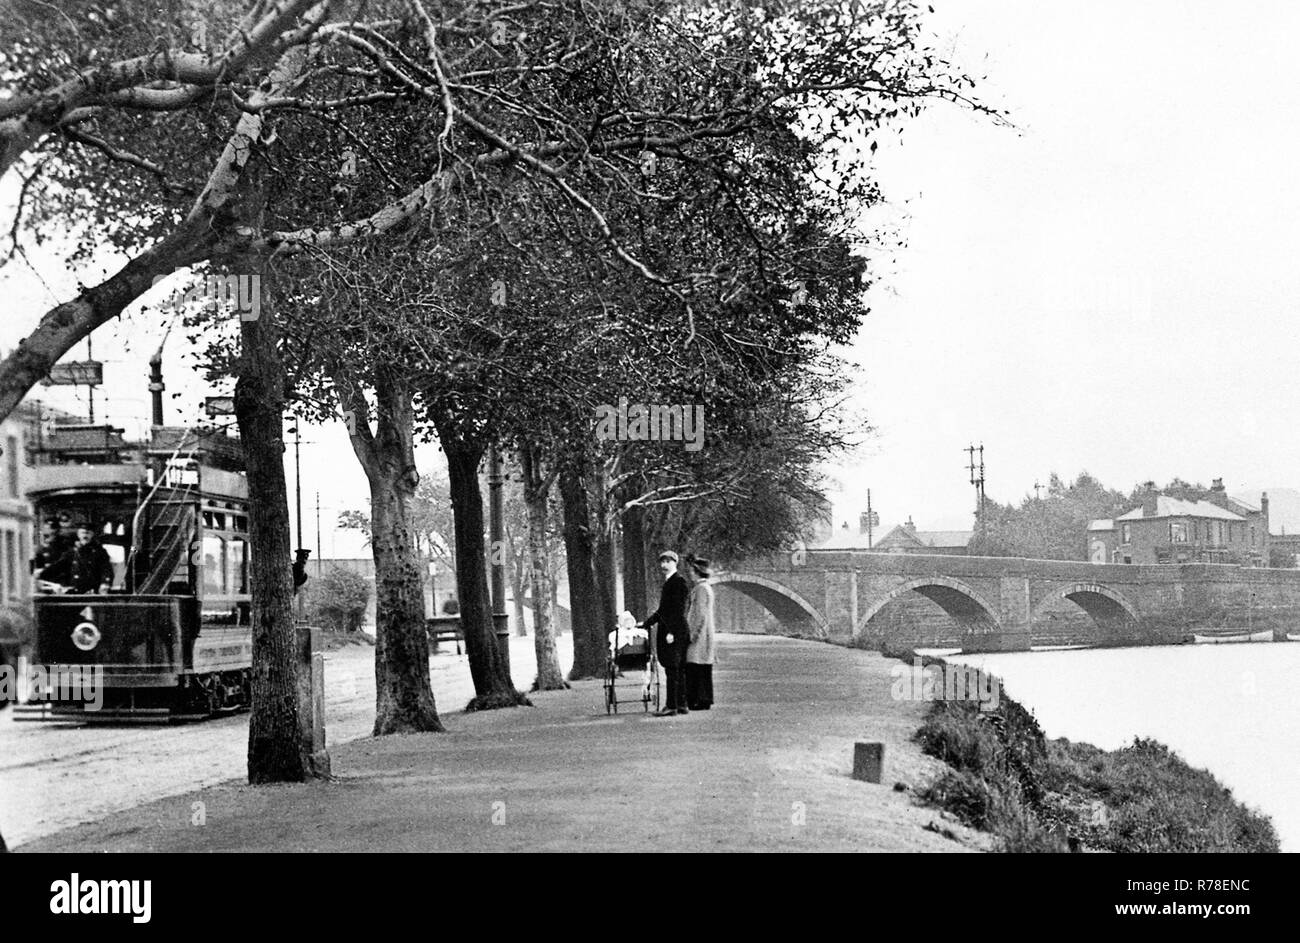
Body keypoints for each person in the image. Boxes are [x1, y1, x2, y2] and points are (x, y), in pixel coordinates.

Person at [643, 550, 690, 716]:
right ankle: (681, 704)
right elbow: (663, 610)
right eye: (662, 562)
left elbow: (678, 610)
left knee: (672, 668)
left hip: (674, 631)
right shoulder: (671, 582)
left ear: (675, 563)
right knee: (678, 669)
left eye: (668, 562)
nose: (664, 565)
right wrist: (646, 624)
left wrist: (671, 632)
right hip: (676, 630)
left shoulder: (678, 582)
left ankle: (671, 706)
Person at [684, 555, 716, 710]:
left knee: (695, 666)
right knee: (703, 666)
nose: (690, 573)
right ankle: (704, 699)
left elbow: (700, 614)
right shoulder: (706, 587)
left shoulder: (701, 589)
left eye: (692, 570)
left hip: (700, 636)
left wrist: (692, 634)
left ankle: (698, 699)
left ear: (696, 571)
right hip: (705, 634)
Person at [67, 523, 114, 594]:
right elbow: (59, 567)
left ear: (92, 535)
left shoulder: (99, 552)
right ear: (78, 535)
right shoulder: (71, 552)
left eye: (88, 533)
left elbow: (106, 569)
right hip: (74, 590)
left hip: (91, 590)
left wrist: (105, 583)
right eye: (82, 533)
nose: (85, 536)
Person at [31, 518, 72, 587]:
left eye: (52, 530)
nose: (48, 532)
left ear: (58, 531)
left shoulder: (66, 548)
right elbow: (38, 565)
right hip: (46, 581)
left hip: (61, 582)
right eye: (46, 529)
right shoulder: (41, 549)